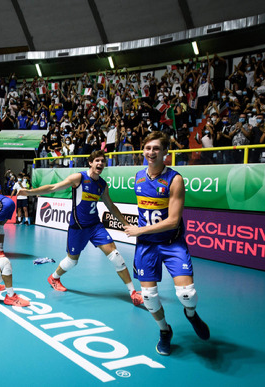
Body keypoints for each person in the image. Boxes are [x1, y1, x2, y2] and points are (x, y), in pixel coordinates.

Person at [18, 150, 143, 306]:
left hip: (95, 226)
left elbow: (110, 206)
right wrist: (29, 192)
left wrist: (126, 224)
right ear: (90, 162)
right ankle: (54, 278)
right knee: (72, 261)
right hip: (77, 227)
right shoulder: (79, 178)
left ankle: (132, 292)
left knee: (116, 256)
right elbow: (53, 187)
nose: (100, 164)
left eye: (102, 161)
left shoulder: (102, 184)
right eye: (97, 160)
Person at [124, 131, 210, 356]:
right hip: (146, 246)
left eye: (156, 149)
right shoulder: (138, 177)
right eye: (148, 148)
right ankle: (164, 331)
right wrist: (141, 233)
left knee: (187, 295)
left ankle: (191, 315)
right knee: (149, 298)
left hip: (172, 243)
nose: (151, 153)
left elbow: (173, 221)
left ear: (165, 153)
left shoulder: (175, 179)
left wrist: (139, 230)